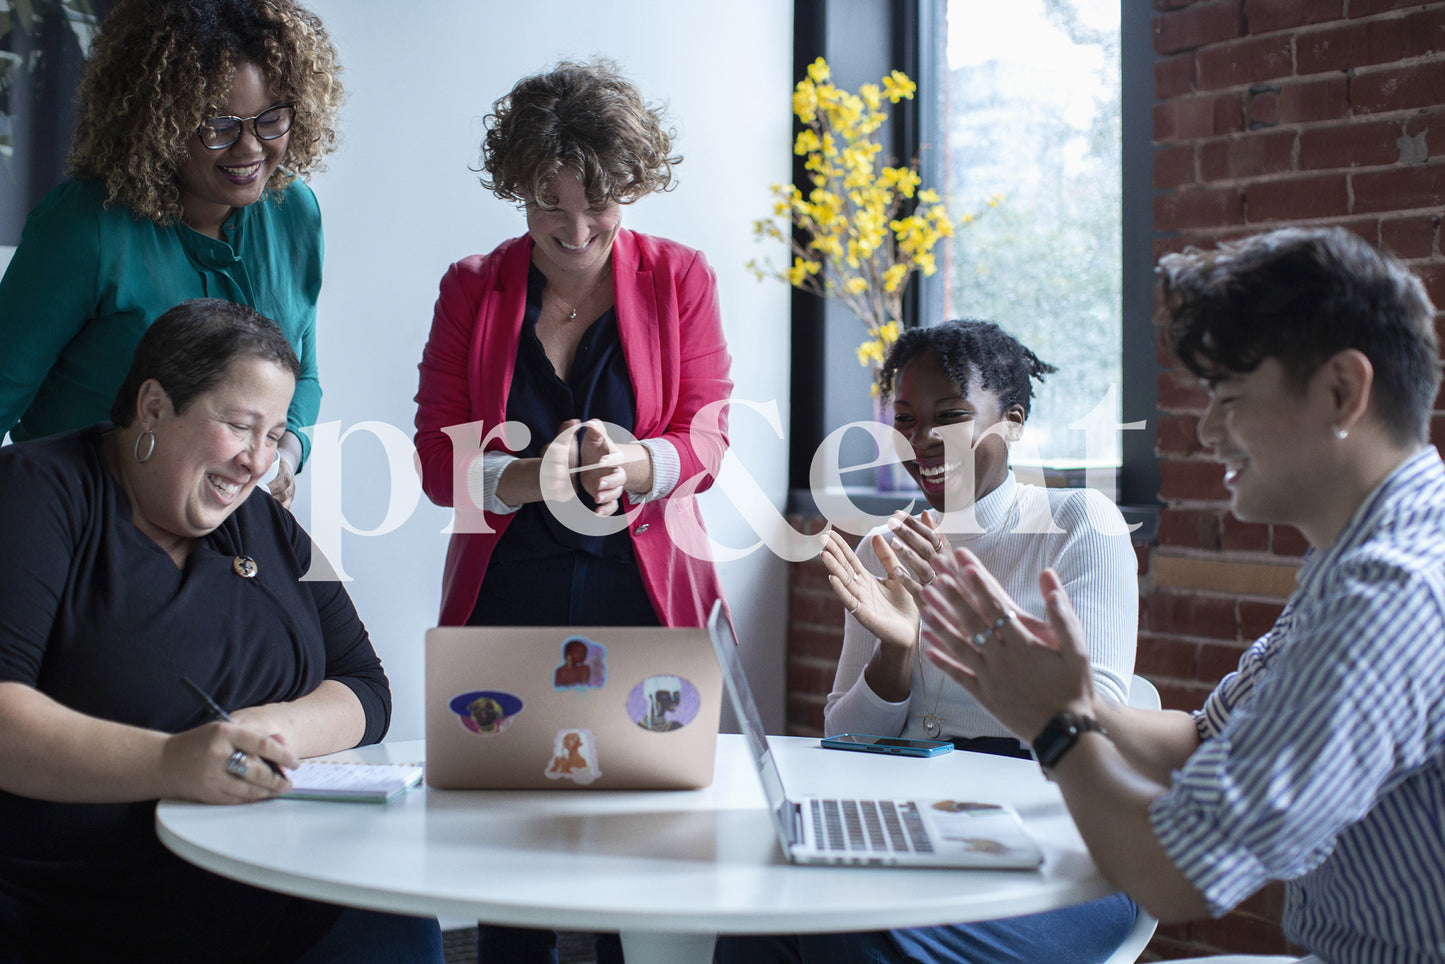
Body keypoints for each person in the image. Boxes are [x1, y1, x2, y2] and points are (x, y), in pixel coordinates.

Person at [924, 227, 1445, 964]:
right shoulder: (1363, 555)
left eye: (1229, 398)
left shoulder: (1387, 594)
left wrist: (1052, 726)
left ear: (1340, 392)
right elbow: (1204, 741)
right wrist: (1073, 698)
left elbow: (1177, 877)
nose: (1205, 429)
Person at [0, 299, 442, 963]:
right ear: (154, 407)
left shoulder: (272, 523)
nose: (256, 462)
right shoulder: (32, 492)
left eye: (274, 436)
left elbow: (366, 688)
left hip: (284, 878)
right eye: (240, 427)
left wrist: (265, 733)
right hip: (93, 905)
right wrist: (171, 763)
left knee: (398, 920)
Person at [412, 59, 732, 964]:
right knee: (505, 856)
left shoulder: (680, 277)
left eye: (599, 204)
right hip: (508, 591)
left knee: (639, 856)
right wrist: (532, 480)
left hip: (643, 594)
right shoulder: (471, 286)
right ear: (515, 186)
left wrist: (639, 463)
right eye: (549, 205)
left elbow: (708, 437)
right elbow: (437, 462)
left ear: (632, 184)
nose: (577, 229)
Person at [717, 320, 1139, 964]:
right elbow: (847, 737)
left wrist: (951, 611)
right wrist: (897, 649)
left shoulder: (1081, 522)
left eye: (952, 417)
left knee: (857, 934)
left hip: (1066, 845)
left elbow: (1097, 717)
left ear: (1013, 423)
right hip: (922, 829)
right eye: (908, 421)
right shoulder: (884, 548)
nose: (922, 441)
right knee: (759, 922)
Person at [0, 0, 343, 507]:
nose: (251, 148)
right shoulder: (87, 224)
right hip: (80, 520)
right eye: (219, 126)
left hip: (224, 527)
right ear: (159, 120)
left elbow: (301, 375)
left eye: (270, 119)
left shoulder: (294, 211)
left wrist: (282, 459)